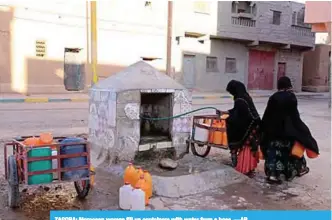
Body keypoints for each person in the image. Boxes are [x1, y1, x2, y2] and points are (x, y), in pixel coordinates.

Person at [260, 76, 319, 183]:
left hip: (274, 132)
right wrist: (301, 129)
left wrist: (263, 128)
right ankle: (294, 171)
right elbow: (294, 116)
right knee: (291, 152)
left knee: (273, 153)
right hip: (288, 132)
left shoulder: (273, 97)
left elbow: (268, 114)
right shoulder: (291, 97)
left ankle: (273, 175)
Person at [225, 80, 261, 176]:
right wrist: (228, 112)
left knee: (232, 129)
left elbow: (238, 117)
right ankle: (249, 166)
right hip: (256, 123)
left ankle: (244, 166)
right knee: (249, 147)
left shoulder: (240, 100)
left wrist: (228, 119)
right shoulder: (245, 96)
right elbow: (239, 112)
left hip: (250, 125)